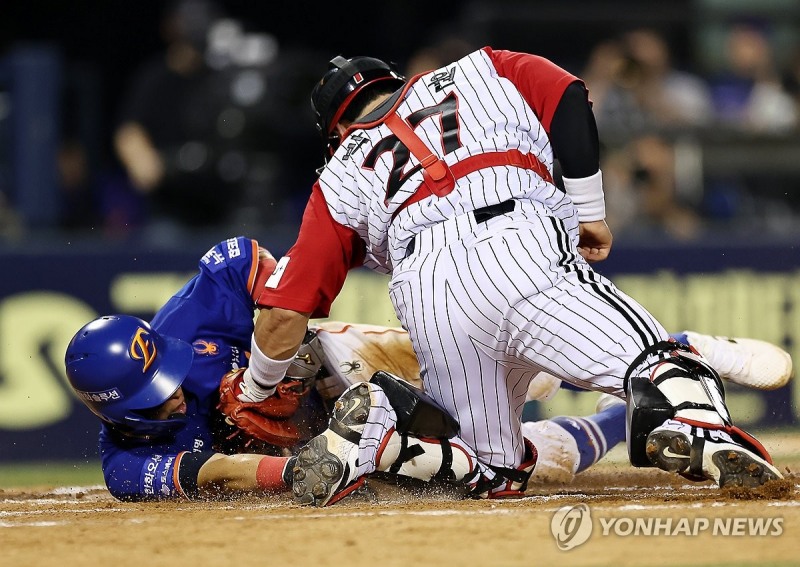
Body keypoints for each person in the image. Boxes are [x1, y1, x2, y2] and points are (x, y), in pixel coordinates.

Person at [241, 47, 785, 506]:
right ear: (397, 82)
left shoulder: (337, 174)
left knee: (488, 471)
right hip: (517, 241)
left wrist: (256, 392)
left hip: (429, 293)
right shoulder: (481, 67)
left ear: (336, 129)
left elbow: (284, 311)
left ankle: (385, 439)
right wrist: (589, 209)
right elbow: (570, 96)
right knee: (657, 363)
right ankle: (702, 433)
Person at [60, 236, 630, 501]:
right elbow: (218, 472)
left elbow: (239, 257)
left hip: (330, 367)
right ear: (119, 412)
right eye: (159, 397)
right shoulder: (127, 466)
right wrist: (304, 468)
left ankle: (656, 359)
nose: (177, 394)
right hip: (321, 444)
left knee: (532, 374)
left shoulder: (182, 326)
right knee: (525, 467)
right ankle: (622, 421)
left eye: (170, 375)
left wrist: (274, 352)